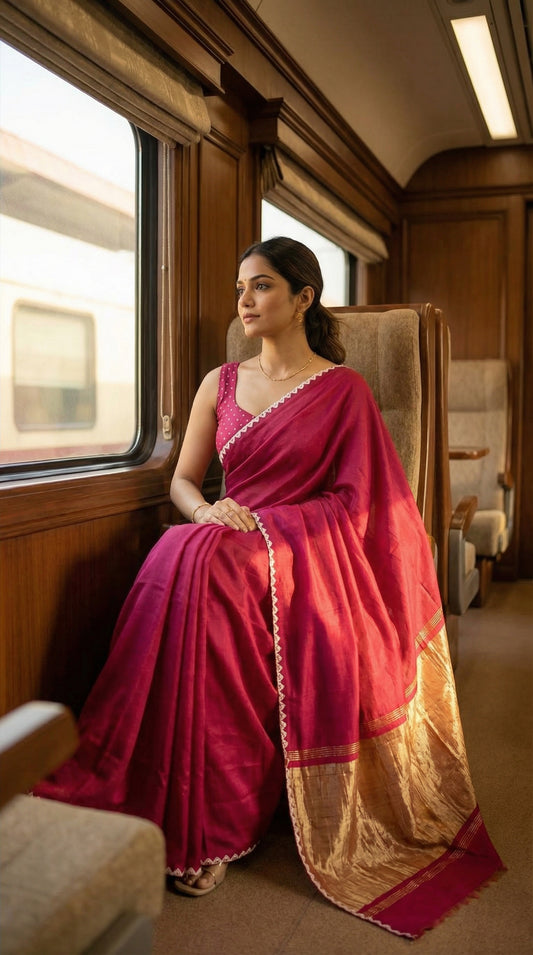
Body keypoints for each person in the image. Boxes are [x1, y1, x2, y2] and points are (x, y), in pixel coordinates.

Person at [35, 237, 504, 937]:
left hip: (302, 553)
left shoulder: (343, 390)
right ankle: (167, 794)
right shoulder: (217, 383)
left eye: (259, 287)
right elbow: (183, 482)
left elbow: (359, 502)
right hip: (221, 535)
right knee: (177, 552)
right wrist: (208, 510)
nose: (243, 302)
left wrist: (271, 530)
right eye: (238, 289)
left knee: (215, 574)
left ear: (302, 298)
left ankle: (218, 820)